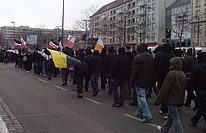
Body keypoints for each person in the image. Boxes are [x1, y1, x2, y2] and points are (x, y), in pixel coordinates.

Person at [154, 57, 187, 133]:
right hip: (179, 99)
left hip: (172, 99)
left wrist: (158, 101)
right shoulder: (182, 74)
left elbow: (165, 89)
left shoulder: (171, 74)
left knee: (175, 117)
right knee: (171, 116)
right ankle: (164, 129)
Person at [130, 43, 154, 123]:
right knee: (142, 96)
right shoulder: (150, 56)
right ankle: (139, 112)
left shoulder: (137, 58)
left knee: (141, 97)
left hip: (139, 80)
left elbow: (134, 71)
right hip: (148, 80)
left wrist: (131, 81)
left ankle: (147, 115)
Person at [190, 52, 206, 131]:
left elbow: (193, 79)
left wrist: (191, 89)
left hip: (200, 89)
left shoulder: (196, 67)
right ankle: (195, 119)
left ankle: (195, 119)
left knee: (203, 107)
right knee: (202, 106)